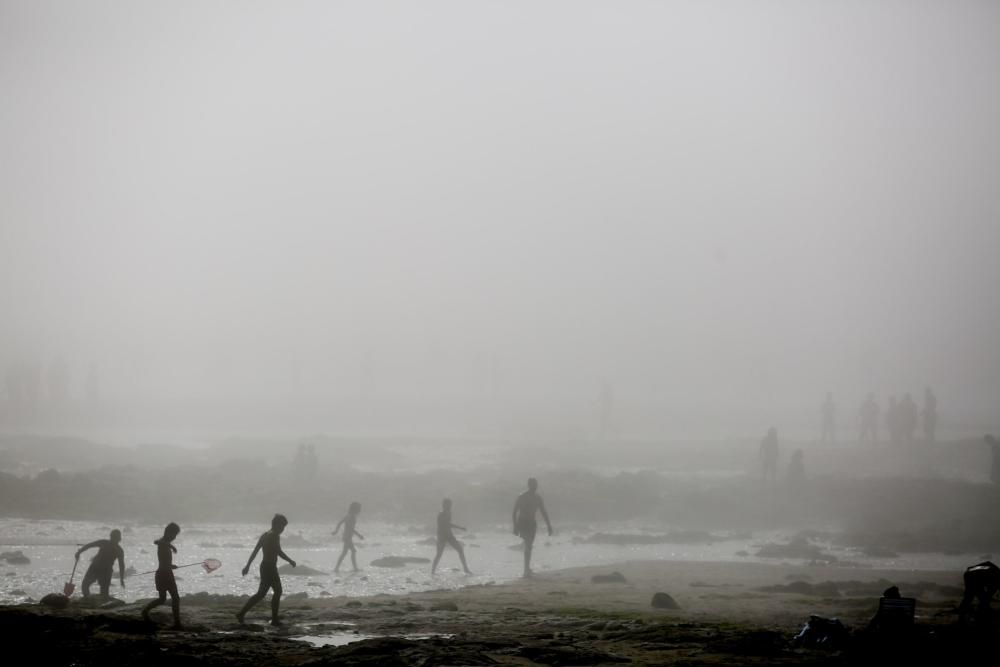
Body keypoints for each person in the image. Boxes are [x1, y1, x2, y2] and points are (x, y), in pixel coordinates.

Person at [237, 513, 297, 626]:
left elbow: (255, 551)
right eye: (282, 526)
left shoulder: (265, 535)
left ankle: (241, 614)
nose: (283, 529)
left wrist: (248, 566)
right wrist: (290, 560)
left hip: (264, 566)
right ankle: (274, 620)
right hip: (270, 567)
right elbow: (278, 551)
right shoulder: (274, 535)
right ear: (276, 525)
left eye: (284, 527)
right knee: (277, 591)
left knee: (261, 594)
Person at [141, 522, 181, 629]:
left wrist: (171, 565)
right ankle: (177, 624)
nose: (174, 537)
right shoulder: (163, 543)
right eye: (174, 534)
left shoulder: (164, 543)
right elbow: (158, 542)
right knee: (175, 598)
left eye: (176, 535)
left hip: (164, 572)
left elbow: (164, 560)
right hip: (165, 574)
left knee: (162, 599)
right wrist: (171, 546)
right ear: (168, 532)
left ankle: (145, 611)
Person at [512, 478, 553, 578]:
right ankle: (526, 570)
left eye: (536, 485)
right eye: (533, 485)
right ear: (529, 485)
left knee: (529, 545)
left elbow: (543, 512)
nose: (535, 486)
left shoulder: (537, 498)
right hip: (523, 522)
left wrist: (549, 526)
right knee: (528, 544)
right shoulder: (522, 496)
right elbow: (514, 512)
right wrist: (515, 526)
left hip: (532, 523)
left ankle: (527, 568)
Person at [75, 528, 125, 599]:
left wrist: (122, 579)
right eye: (112, 537)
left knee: (103, 593)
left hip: (105, 571)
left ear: (118, 539)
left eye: (114, 538)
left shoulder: (118, 550)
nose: (113, 539)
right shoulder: (105, 543)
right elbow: (90, 545)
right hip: (95, 567)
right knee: (85, 585)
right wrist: (79, 552)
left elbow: (121, 565)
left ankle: (92, 602)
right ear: (111, 537)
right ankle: (87, 600)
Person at [431, 498, 472, 575]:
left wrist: (459, 528)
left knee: (460, 550)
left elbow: (449, 524)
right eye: (448, 505)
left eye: (450, 505)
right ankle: (432, 572)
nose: (450, 506)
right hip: (442, 536)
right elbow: (447, 524)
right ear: (444, 505)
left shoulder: (449, 512)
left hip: (449, 535)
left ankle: (466, 569)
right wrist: (460, 528)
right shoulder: (441, 514)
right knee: (439, 554)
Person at [332, 502, 364, 573]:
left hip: (346, 536)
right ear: (355, 509)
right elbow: (351, 528)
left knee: (345, 552)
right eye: (359, 508)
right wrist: (359, 535)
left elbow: (340, 523)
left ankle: (336, 568)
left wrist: (336, 531)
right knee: (352, 551)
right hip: (347, 537)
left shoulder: (347, 515)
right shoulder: (352, 517)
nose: (360, 510)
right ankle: (355, 568)